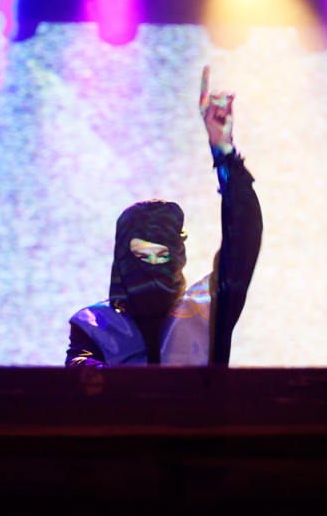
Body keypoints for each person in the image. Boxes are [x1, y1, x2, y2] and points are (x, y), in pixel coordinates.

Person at [65, 66, 262, 368]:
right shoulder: (93, 325)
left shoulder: (207, 309)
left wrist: (224, 152)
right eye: (143, 256)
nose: (154, 266)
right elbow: (80, 378)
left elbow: (243, 241)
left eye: (163, 256)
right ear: (123, 259)